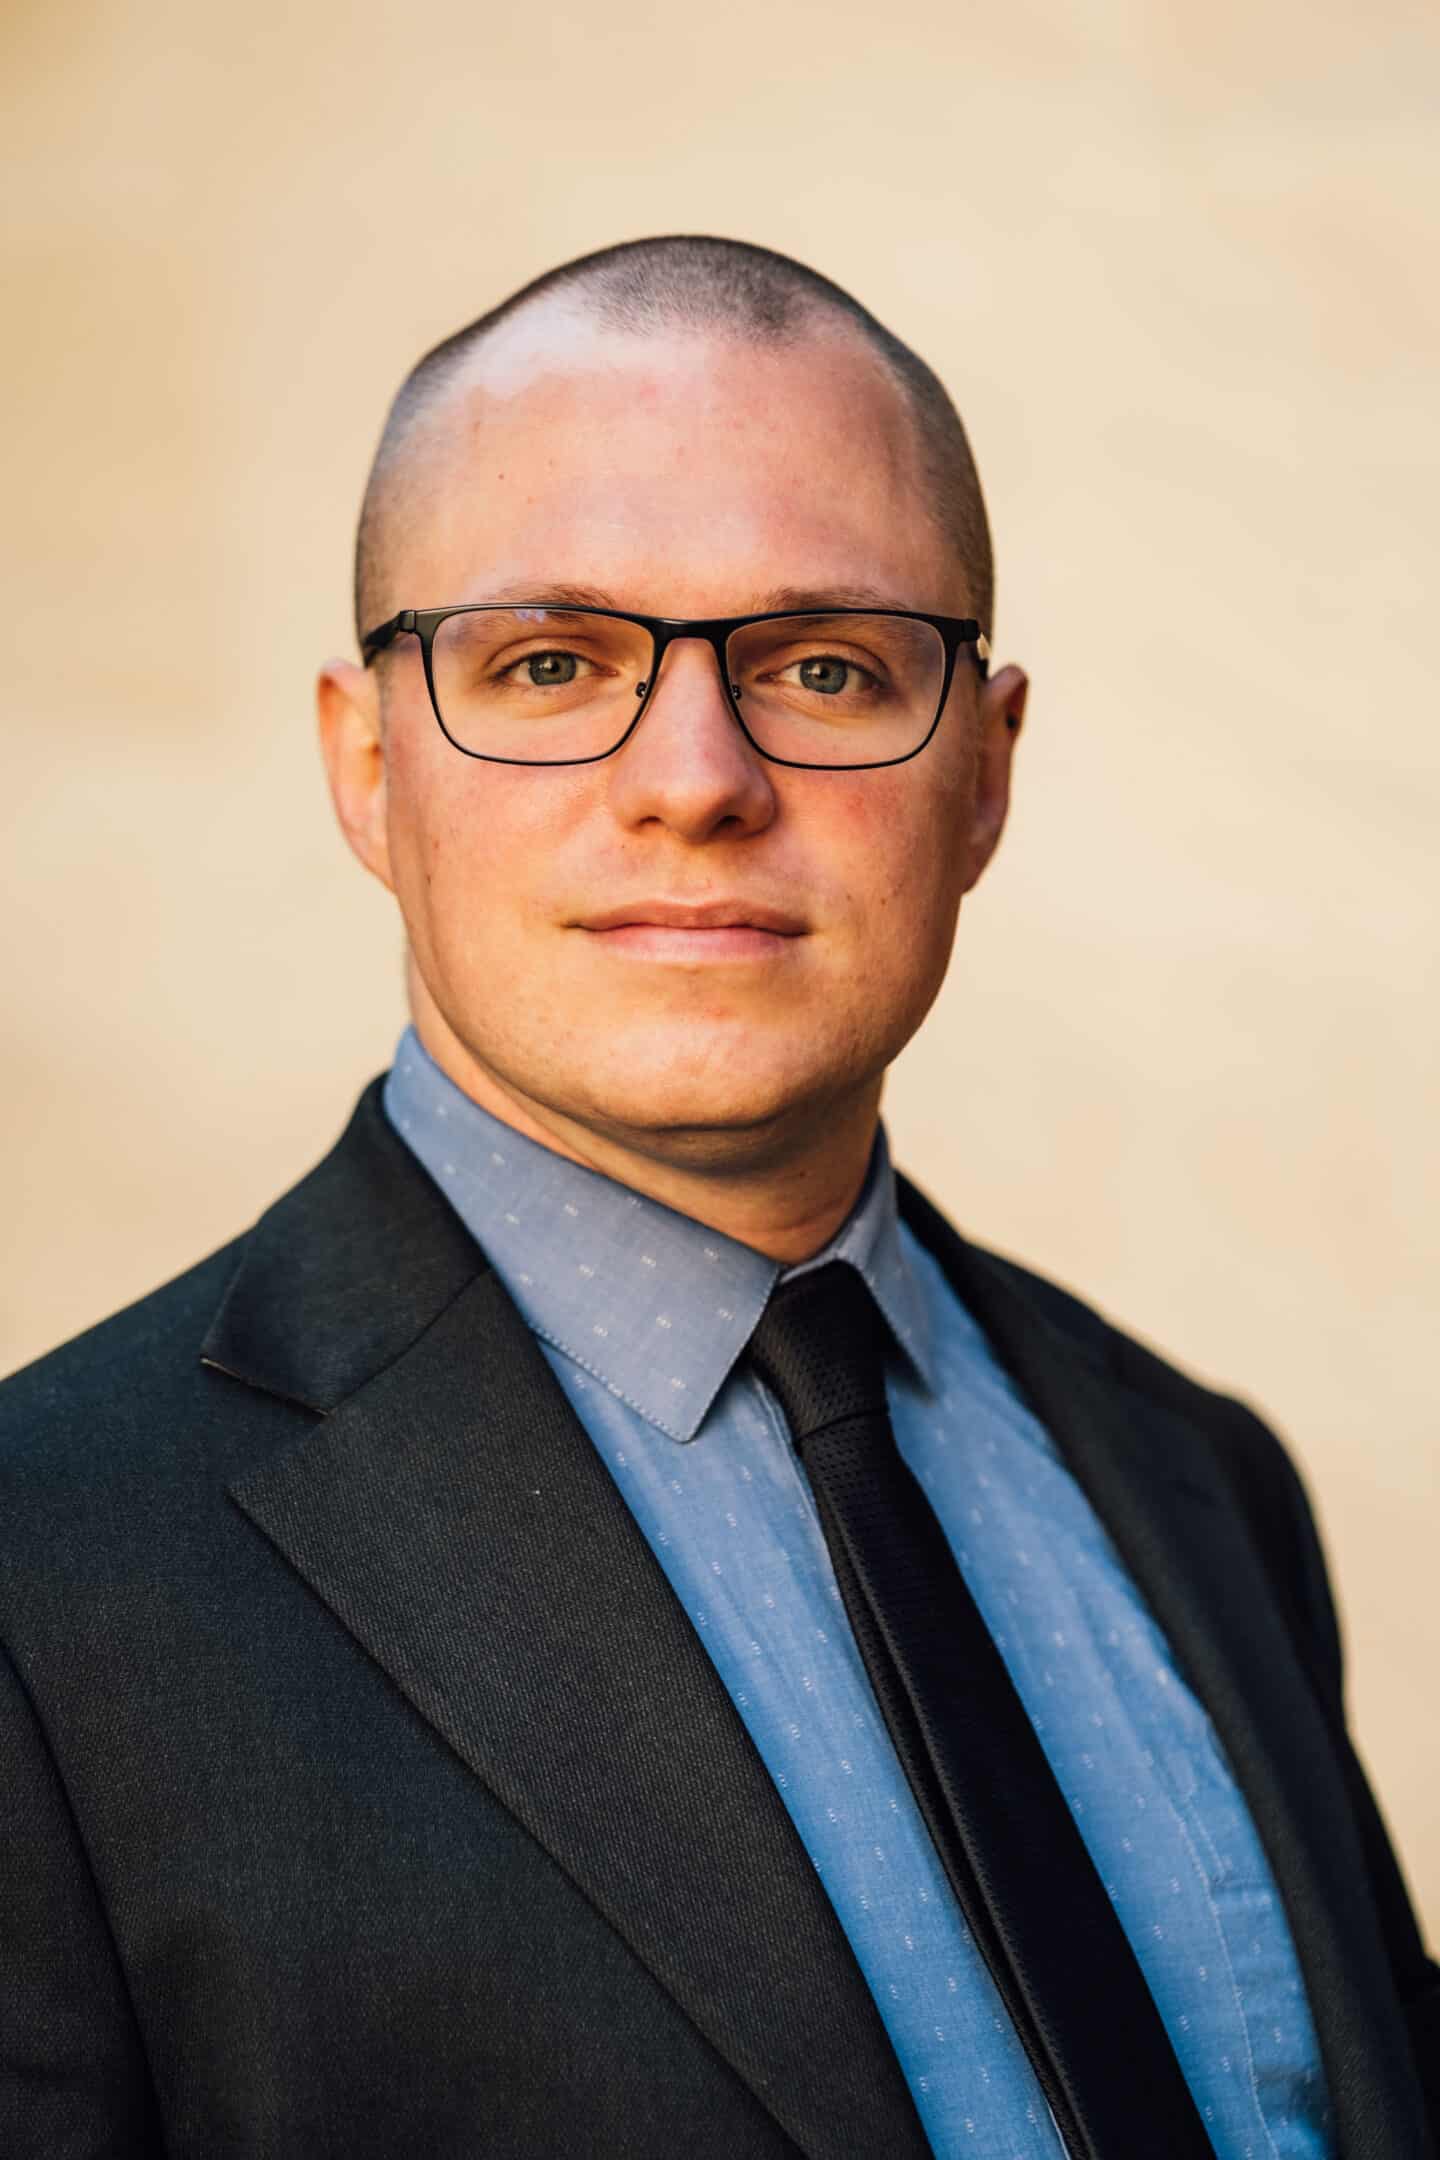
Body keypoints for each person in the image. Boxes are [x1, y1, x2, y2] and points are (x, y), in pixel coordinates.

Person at [0, 236, 1434, 2160]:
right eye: (550, 662)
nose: (696, 778)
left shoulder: (1202, 1481)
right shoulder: (48, 1579)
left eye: (827, 667)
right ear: (366, 767)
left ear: (988, 775)